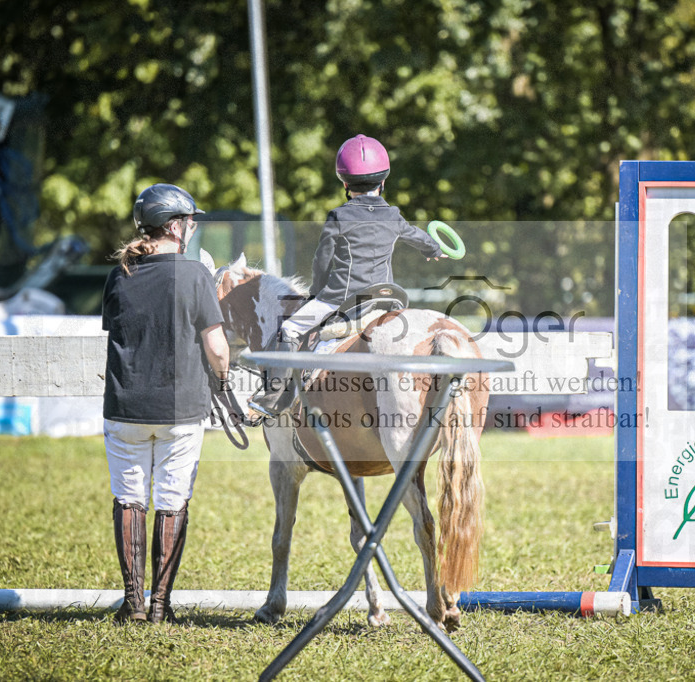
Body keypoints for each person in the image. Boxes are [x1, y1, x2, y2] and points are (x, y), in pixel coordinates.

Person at [102, 183, 230, 624]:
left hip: (125, 407)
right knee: (172, 501)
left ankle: (132, 603)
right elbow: (216, 347)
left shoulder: (120, 274)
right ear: (175, 226)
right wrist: (224, 376)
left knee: (128, 499)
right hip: (179, 410)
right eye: (190, 221)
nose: (192, 228)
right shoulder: (195, 275)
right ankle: (160, 606)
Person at [251, 134, 445, 415]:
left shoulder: (338, 216)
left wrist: (316, 293)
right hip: (387, 298)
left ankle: (272, 399)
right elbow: (416, 236)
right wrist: (434, 248)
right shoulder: (393, 215)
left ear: (344, 183)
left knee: (289, 329)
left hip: (342, 299)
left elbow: (322, 261)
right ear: (383, 181)